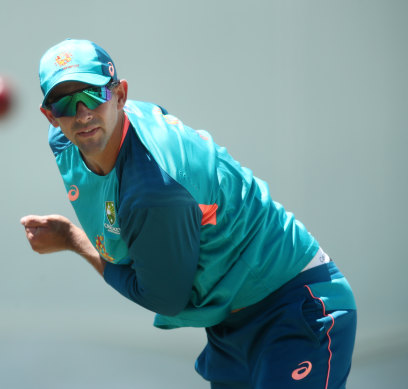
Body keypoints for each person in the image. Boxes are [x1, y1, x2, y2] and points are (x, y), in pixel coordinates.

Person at [21, 38, 357, 388]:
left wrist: (73, 240)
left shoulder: (154, 191)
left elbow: (164, 298)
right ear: (49, 116)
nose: (82, 113)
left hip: (297, 308)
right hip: (231, 327)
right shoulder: (65, 140)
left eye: (93, 95)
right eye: (64, 102)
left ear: (120, 95)